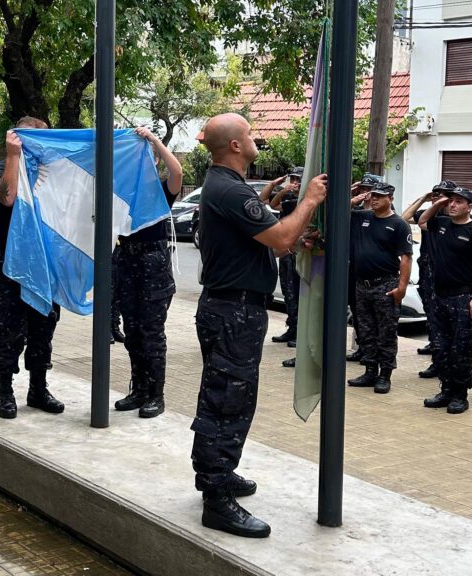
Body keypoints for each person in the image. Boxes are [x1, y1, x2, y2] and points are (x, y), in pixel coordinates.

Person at [191, 112, 327, 538]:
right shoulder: (230, 190)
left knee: (226, 396)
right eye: (250, 134)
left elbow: (270, 244)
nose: (255, 139)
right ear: (235, 145)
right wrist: (309, 201)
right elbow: (280, 237)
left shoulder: (225, 186)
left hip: (232, 308)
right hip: (233, 312)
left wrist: (296, 239)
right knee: (227, 400)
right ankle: (216, 497)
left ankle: (215, 472)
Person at [0, 117, 64, 420]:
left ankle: (38, 388)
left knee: (44, 326)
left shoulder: (51, 173)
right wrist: (13, 156)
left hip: (44, 262)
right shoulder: (1, 168)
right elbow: (6, 197)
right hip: (10, 261)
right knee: (9, 329)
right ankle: (5, 391)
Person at [112, 127, 183, 419]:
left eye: (145, 158)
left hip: (153, 264)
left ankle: (156, 394)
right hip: (126, 261)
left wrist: (154, 141)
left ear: (154, 161)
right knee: (132, 332)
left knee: (151, 332)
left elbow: (177, 172)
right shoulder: (123, 190)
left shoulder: (160, 191)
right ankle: (139, 389)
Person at [418, 187, 472, 414]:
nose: (452, 205)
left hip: (462, 297)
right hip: (439, 296)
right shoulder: (442, 224)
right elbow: (422, 221)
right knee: (440, 348)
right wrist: (438, 203)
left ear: (469, 206)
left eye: (458, 202)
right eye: (451, 201)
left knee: (460, 349)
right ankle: (446, 390)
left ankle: (460, 395)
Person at [346, 181, 413, 394]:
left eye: (379, 196)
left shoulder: (398, 224)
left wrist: (401, 287)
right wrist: (353, 197)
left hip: (385, 284)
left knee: (386, 332)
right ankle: (370, 370)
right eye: (372, 195)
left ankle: (385, 375)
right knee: (366, 331)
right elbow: (336, 211)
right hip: (362, 284)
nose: (374, 199)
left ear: (390, 199)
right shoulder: (362, 217)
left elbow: (406, 258)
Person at [401, 180, 458, 378]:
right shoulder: (430, 217)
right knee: (432, 316)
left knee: (446, 322)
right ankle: (437, 354)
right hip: (428, 271)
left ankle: (446, 361)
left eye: (444, 194)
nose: (439, 197)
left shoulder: (454, 219)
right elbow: (405, 218)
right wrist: (424, 199)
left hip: (447, 275)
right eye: (437, 194)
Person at [259, 167, 303, 349]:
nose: (294, 183)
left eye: (298, 179)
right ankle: (291, 327)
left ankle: (300, 331)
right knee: (288, 292)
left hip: (299, 250)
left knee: (299, 293)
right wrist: (283, 190)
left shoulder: (305, 200)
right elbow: (271, 203)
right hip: (285, 252)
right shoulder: (288, 197)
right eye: (292, 179)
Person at [346, 174, 381, 363]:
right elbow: (337, 210)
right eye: (363, 189)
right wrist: (351, 193)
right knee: (358, 311)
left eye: (370, 190)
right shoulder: (356, 211)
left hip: (376, 273)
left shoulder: (382, 212)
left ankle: (375, 353)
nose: (366, 193)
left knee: (376, 316)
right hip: (355, 268)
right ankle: (363, 348)